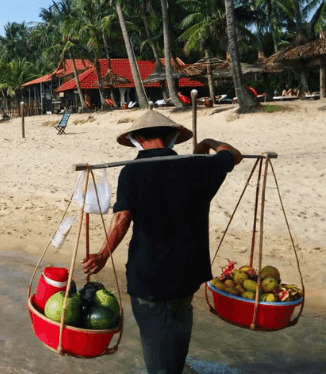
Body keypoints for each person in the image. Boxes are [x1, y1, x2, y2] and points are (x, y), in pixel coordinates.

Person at [83, 110, 242, 374]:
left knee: (155, 352)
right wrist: (207, 143)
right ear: (172, 137)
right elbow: (232, 153)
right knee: (178, 332)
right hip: (187, 275)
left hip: (148, 277)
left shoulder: (132, 172)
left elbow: (122, 218)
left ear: (138, 138)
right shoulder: (200, 166)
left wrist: (102, 255)